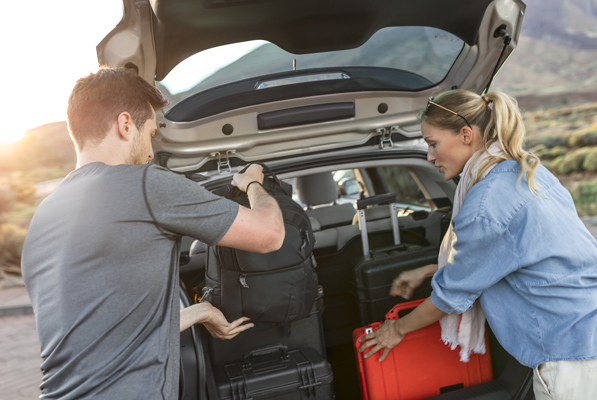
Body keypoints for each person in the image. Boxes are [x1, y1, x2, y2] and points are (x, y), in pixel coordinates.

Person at [21, 67, 285, 400]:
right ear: (125, 124)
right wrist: (253, 183)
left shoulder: (44, 216)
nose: (150, 151)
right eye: (150, 134)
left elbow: (109, 332)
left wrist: (200, 311)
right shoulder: (145, 184)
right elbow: (270, 234)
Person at [358, 89, 597, 399]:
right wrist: (433, 268)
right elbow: (513, 254)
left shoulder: (485, 203)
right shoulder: (528, 171)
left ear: (466, 134)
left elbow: (451, 297)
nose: (430, 157)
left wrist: (396, 330)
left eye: (432, 144)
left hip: (569, 355)